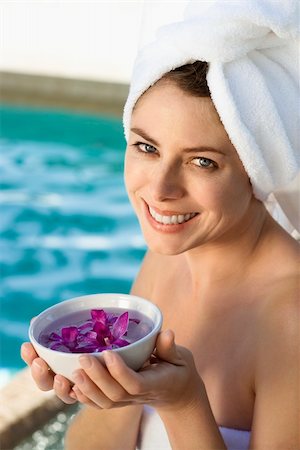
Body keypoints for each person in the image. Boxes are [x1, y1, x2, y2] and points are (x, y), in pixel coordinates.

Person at [21, 1, 299, 449]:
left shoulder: (290, 317)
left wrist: (183, 404)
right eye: (147, 148)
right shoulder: (167, 259)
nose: (161, 188)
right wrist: (108, 391)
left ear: (256, 171)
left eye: (202, 161)